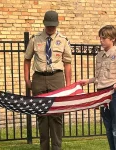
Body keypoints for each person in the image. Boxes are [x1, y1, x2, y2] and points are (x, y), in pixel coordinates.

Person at [24, 10, 72, 150]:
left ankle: (56, 147)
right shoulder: (35, 39)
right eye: (48, 25)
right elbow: (27, 59)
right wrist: (27, 79)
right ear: (44, 24)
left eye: (53, 25)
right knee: (42, 115)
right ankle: (44, 147)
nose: (51, 28)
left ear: (57, 24)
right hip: (39, 78)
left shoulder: (63, 40)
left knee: (57, 114)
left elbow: (67, 63)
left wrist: (68, 85)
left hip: (56, 78)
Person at [78, 25, 116, 150]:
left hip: (113, 92)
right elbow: (99, 76)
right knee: (108, 126)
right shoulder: (99, 55)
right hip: (101, 93)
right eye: (100, 38)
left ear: (113, 39)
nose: (101, 40)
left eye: (104, 38)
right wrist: (88, 81)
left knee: (115, 126)